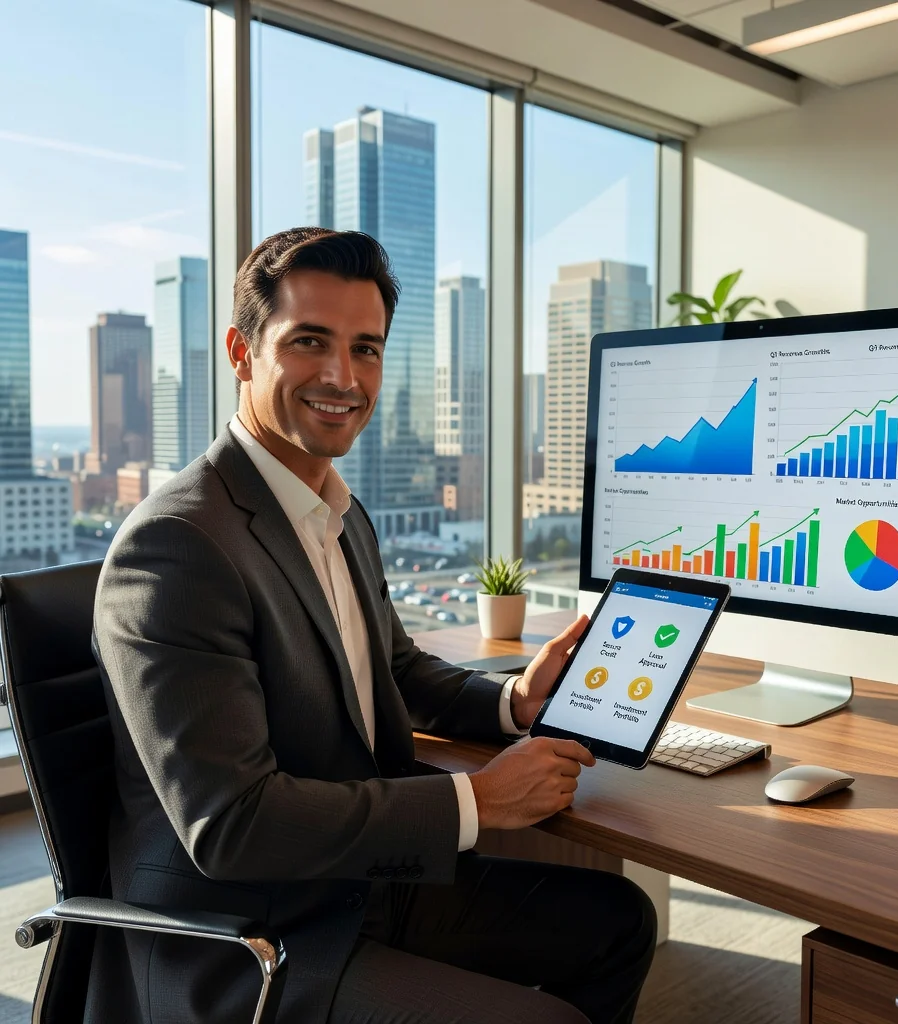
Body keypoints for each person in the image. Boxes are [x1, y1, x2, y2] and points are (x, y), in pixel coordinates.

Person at [89, 227, 657, 1024]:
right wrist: (477, 802)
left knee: (619, 922)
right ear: (241, 351)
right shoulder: (178, 545)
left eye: (367, 349)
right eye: (309, 342)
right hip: (251, 931)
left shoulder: (338, 514)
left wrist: (513, 706)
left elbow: (393, 668)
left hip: (358, 884)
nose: (342, 376)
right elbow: (232, 825)